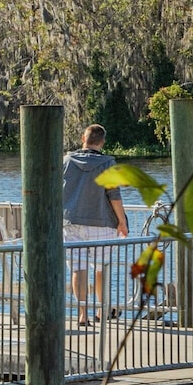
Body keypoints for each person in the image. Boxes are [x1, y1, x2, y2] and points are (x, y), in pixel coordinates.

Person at [61, 124, 128, 327]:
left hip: (71, 222)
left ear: (83, 138)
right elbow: (113, 195)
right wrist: (122, 221)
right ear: (102, 142)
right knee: (101, 269)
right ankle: (102, 309)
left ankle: (82, 314)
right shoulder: (108, 162)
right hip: (102, 223)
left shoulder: (66, 160)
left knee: (78, 269)